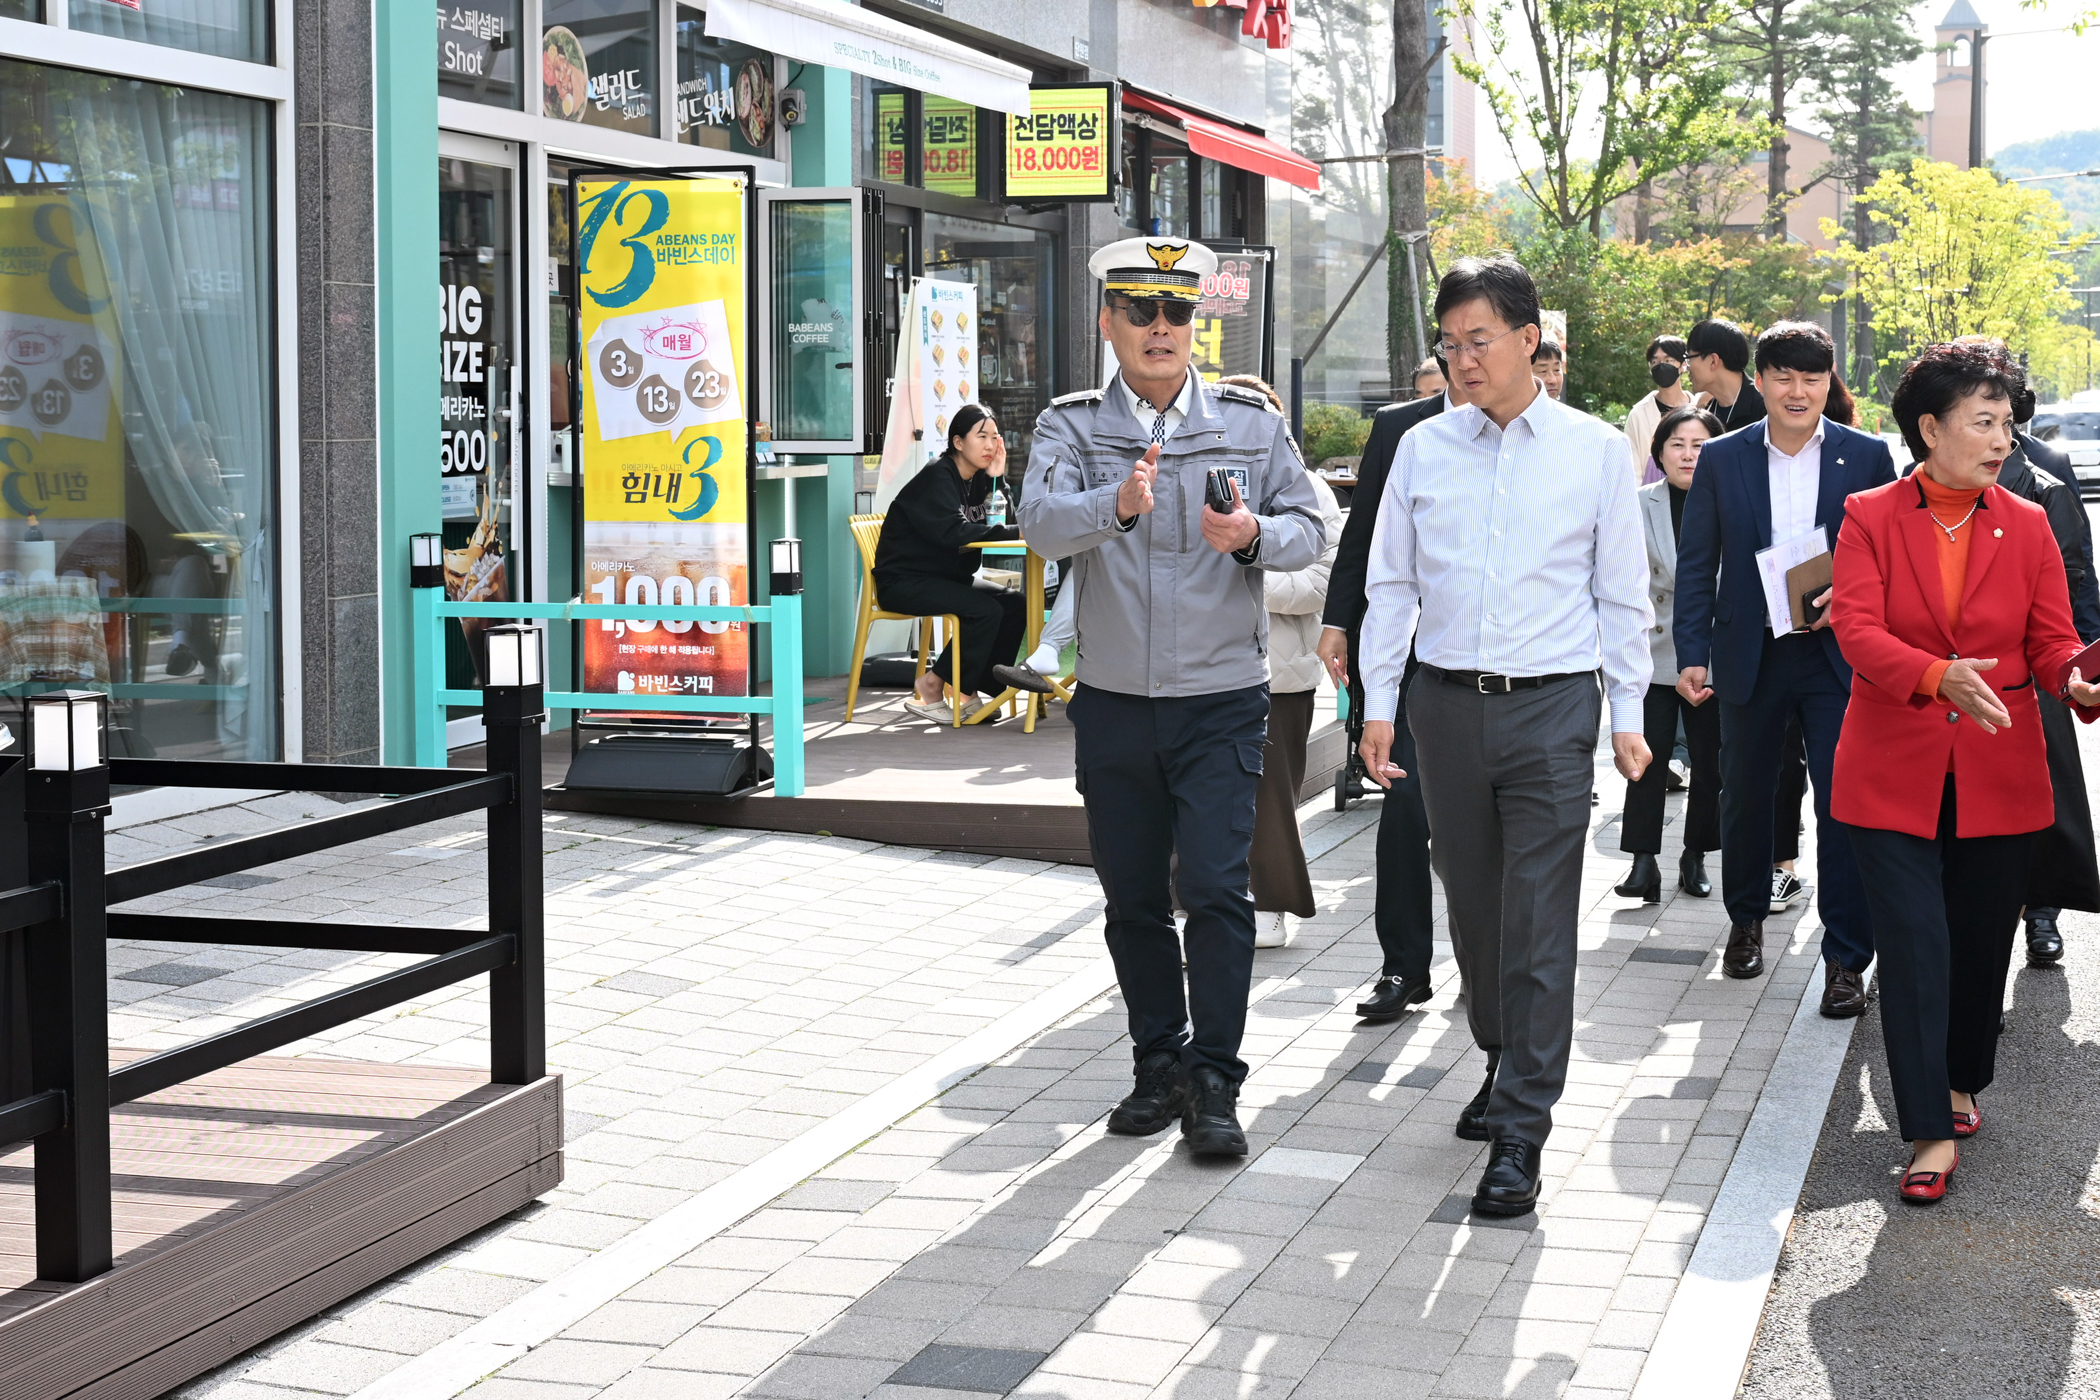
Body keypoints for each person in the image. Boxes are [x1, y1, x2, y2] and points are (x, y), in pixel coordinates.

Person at [1359, 254, 1652, 1217]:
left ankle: (1523, 1127)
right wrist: (1376, 704)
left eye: (1477, 341)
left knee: (1537, 918)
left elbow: (1622, 594)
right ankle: (1499, 1055)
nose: (1461, 361)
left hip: (1554, 710)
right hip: (1444, 708)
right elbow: (1390, 585)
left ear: (1530, 341)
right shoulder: (1422, 450)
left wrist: (1627, 717)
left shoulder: (1596, 448)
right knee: (1476, 915)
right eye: (1448, 345)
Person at [1020, 236, 1325, 1160]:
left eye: (1179, 312)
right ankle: (1158, 1063)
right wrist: (1113, 504)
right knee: (1132, 901)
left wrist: (1250, 536)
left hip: (1223, 700)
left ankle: (1216, 1080)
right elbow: (1037, 524)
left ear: (1198, 323)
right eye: (1141, 311)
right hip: (1114, 701)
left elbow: (1309, 530)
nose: (1162, 328)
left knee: (1217, 893)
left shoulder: (1251, 423)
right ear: (1108, 322)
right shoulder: (1069, 427)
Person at [1829, 338, 2100, 1203]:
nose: (2001, 439)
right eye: (1983, 422)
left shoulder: (2027, 522)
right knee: (1913, 943)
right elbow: (1858, 631)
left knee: (1980, 945)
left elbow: (2050, 639)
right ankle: (1926, 1129)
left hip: (1998, 766)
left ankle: (1959, 1080)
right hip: (1888, 768)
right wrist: (1935, 674)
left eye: (2007, 424)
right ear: (1929, 427)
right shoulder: (1870, 513)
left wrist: (2072, 678)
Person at [1673, 322, 1896, 1014]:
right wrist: (1691, 653)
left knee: (1844, 805)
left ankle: (1845, 960)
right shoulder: (1723, 457)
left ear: (1829, 383)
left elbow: (1891, 561)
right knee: (1744, 796)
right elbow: (1696, 563)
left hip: (1837, 658)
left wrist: (1852, 603)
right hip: (1751, 654)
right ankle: (1744, 922)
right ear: (1761, 379)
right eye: (1785, 377)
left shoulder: (1865, 456)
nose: (1799, 392)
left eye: (1813, 378)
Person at [1315, 355, 1466, 1023]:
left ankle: (1487, 964)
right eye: (1455, 344)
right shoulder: (1400, 428)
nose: (1469, 358)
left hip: (1501, 669)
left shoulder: (1548, 434)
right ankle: (1404, 966)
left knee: (1483, 831)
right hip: (1408, 657)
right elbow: (1365, 534)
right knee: (1403, 814)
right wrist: (1338, 619)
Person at [1219, 372, 1343, 949]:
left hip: (1281, 673)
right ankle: (1203, 904)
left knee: (1270, 794)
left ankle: (1269, 903)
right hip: (1200, 670)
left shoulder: (1310, 489)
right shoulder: (1196, 478)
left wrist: (1240, 582)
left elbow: (1326, 581)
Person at [2001, 380, 2100, 964]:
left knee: (2048, 787)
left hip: (2040, 665)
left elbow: (2076, 579)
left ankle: (2042, 914)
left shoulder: (2046, 485)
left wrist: (2081, 656)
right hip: (1959, 674)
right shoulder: (1914, 480)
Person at [874, 404, 1052, 725]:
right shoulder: (938, 476)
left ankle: (972, 690)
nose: (991, 445)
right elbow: (953, 532)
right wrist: (1015, 529)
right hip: (905, 581)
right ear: (958, 442)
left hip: (946, 578)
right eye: (981, 436)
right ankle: (932, 684)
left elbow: (1007, 522)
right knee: (984, 610)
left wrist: (998, 480)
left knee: (1015, 603)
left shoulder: (978, 479)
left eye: (995, 437)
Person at [1616, 407, 1727, 902]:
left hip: (1713, 652)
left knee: (1710, 764)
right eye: (1677, 444)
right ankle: (1642, 862)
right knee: (1646, 759)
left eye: (1700, 444)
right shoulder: (1637, 504)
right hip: (1653, 649)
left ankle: (1694, 855)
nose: (1688, 454)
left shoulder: (1733, 502)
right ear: (1659, 452)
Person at [1624, 335, 1693, 483]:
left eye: (1668, 361)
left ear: (1683, 365)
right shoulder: (1639, 415)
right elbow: (1632, 469)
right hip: (1650, 499)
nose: (1661, 366)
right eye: (1655, 362)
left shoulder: (1701, 408)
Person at [1686, 318, 1766, 432]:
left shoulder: (1765, 407)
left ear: (1713, 361)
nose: (1687, 367)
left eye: (1689, 359)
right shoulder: (1708, 414)